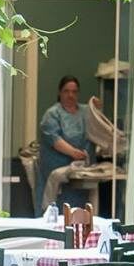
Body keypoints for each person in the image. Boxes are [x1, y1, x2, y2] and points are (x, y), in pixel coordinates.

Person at [38, 75, 95, 212]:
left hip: (81, 171)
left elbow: (97, 130)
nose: (70, 95)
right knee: (57, 211)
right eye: (66, 91)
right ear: (59, 92)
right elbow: (54, 139)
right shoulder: (52, 114)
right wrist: (74, 153)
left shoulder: (86, 112)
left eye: (74, 92)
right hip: (57, 169)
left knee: (80, 211)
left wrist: (95, 108)